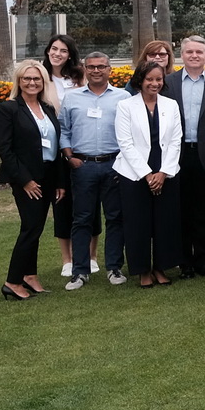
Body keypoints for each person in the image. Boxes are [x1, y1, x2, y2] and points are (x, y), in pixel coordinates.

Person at [164, 36, 205, 278]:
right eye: (189, 51)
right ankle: (184, 263)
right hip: (176, 156)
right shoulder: (167, 82)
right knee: (180, 211)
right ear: (182, 54)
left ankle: (203, 262)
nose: (194, 55)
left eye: (199, 52)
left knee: (204, 212)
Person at [0, 59, 64, 299]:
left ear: (43, 81)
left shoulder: (47, 108)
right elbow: (6, 150)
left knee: (36, 228)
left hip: (48, 176)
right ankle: (12, 281)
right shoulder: (8, 109)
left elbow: (56, 145)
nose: (32, 82)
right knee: (30, 228)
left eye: (36, 78)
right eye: (27, 78)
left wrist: (60, 182)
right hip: (26, 180)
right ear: (19, 81)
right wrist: (25, 180)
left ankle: (30, 276)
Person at [59, 51, 127, 289]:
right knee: (82, 219)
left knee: (116, 218)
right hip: (83, 165)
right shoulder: (72, 97)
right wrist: (69, 157)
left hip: (114, 165)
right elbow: (63, 130)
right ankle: (79, 271)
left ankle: (114, 267)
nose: (96, 70)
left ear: (110, 69)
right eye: (91, 67)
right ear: (84, 69)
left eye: (101, 66)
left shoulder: (123, 96)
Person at [114, 62, 182, 288]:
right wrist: (147, 174)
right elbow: (125, 144)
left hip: (166, 169)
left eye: (158, 79)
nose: (154, 83)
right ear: (140, 80)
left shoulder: (171, 105)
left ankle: (161, 267)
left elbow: (175, 141)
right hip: (134, 172)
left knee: (165, 222)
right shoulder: (126, 106)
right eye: (149, 79)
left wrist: (163, 172)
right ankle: (142, 270)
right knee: (137, 223)